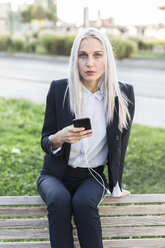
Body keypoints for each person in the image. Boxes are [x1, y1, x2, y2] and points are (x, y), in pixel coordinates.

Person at [37, 27, 135, 248]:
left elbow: (121, 145)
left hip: (92, 176)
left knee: (83, 203)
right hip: (55, 175)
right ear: (76, 59)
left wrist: (116, 185)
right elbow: (45, 141)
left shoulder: (123, 94)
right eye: (83, 55)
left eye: (97, 55)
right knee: (60, 200)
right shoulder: (59, 89)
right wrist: (58, 138)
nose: (90, 63)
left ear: (107, 58)